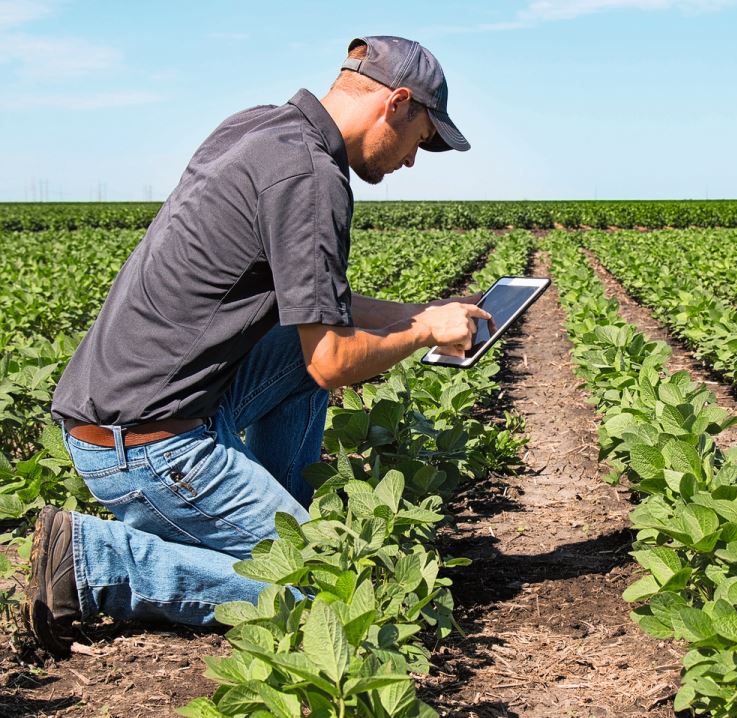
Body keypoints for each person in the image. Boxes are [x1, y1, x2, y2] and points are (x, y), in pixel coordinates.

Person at [23, 35, 490, 656]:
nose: (413, 160)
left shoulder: (258, 130)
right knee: (327, 594)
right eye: (422, 139)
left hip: (124, 408)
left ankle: (278, 516)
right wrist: (425, 332)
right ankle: (96, 561)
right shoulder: (312, 179)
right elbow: (331, 362)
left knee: (295, 349)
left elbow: (321, 313)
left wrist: (418, 311)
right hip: (144, 446)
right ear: (397, 103)